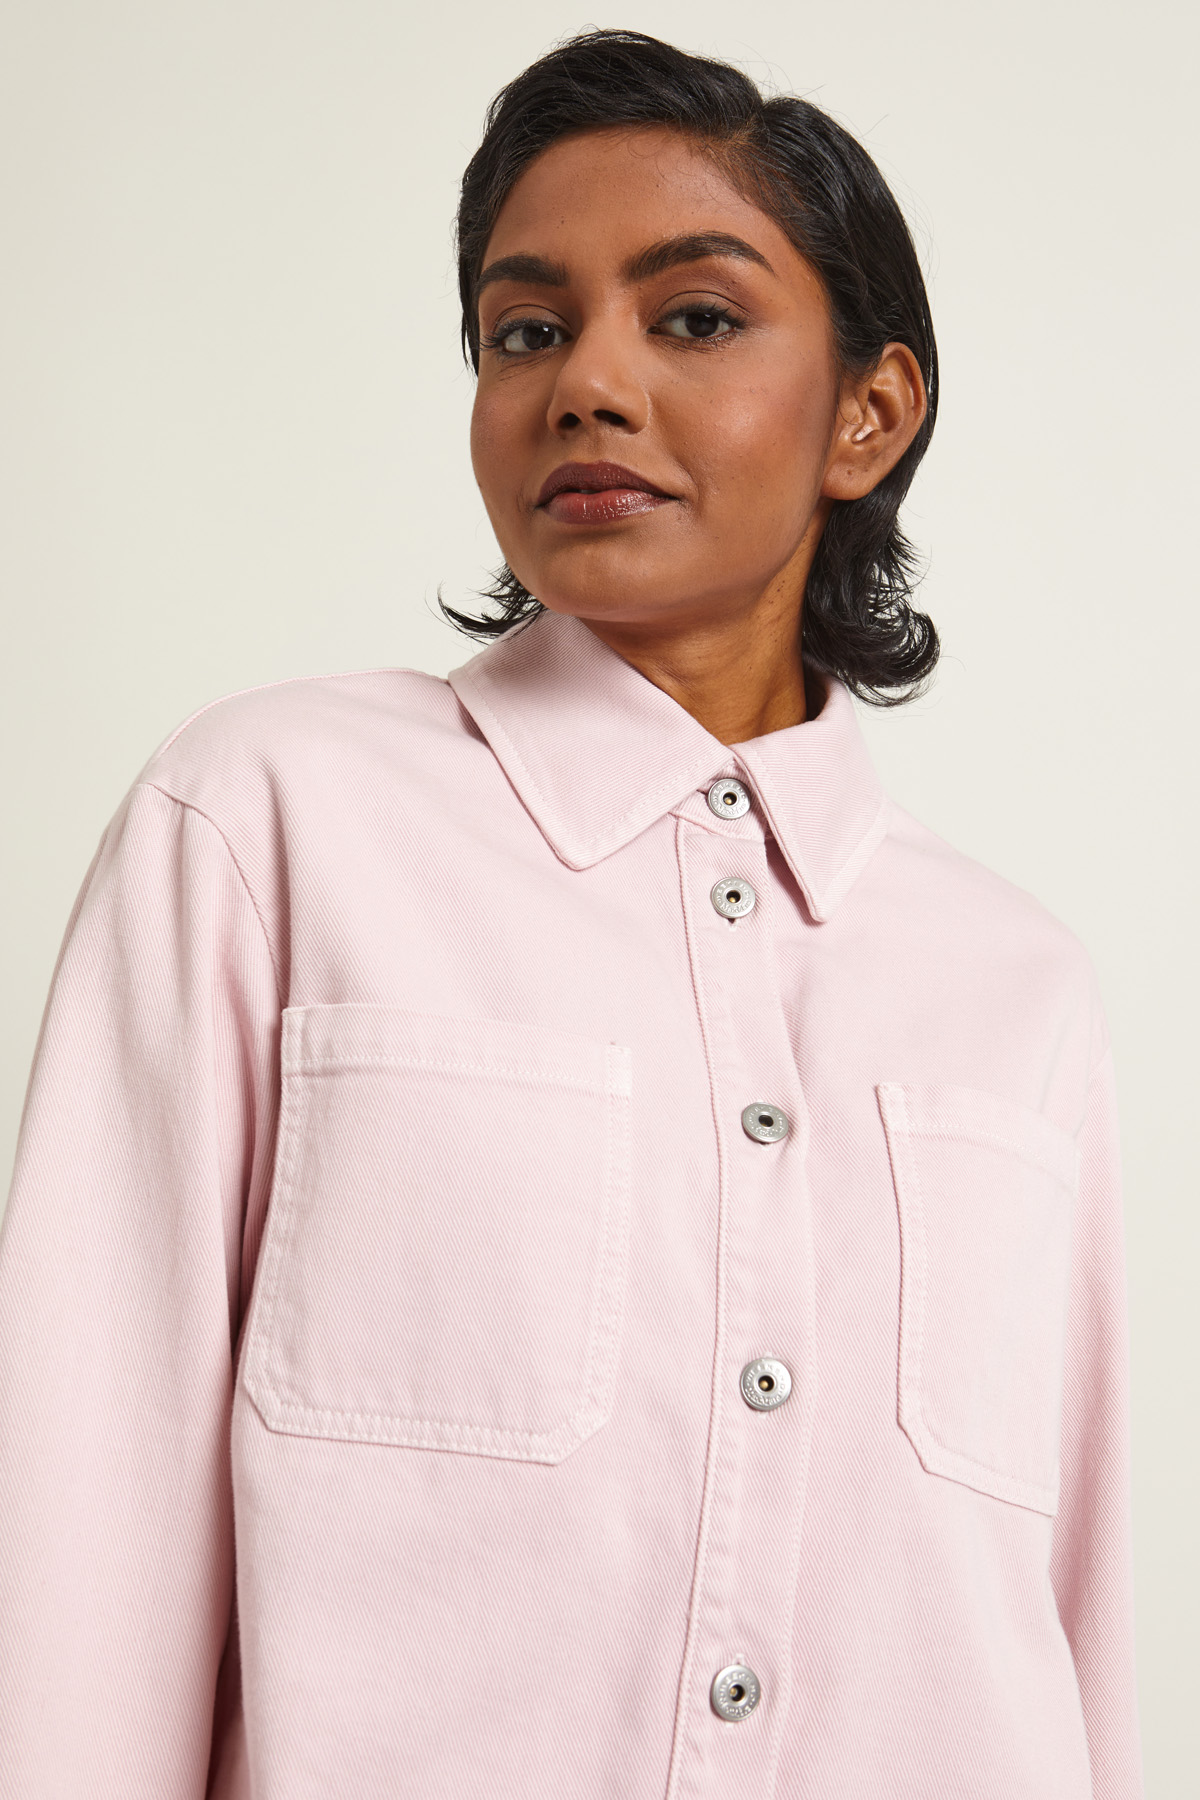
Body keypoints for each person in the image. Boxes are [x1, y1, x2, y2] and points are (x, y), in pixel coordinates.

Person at [0, 28, 1142, 1798]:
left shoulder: (1018, 991)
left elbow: (1072, 1631)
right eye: (526, 331)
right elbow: (78, 1542)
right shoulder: (264, 824)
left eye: (693, 317)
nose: (588, 384)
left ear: (869, 413)